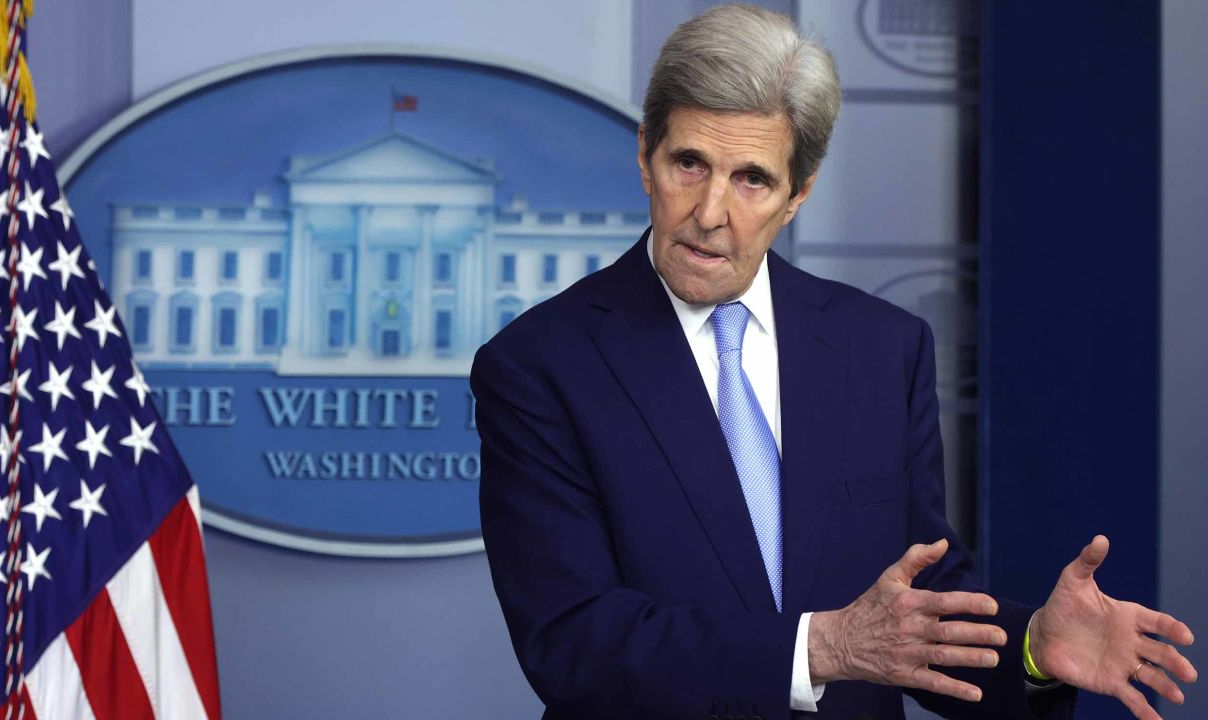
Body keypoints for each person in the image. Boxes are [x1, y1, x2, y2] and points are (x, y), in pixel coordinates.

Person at [470, 5, 1197, 719]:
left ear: (799, 193)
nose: (710, 211)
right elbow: (570, 641)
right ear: (644, 156)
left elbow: (921, 604)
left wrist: (1034, 648)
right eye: (689, 163)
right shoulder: (539, 366)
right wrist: (818, 649)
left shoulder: (882, 348)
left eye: (752, 178)